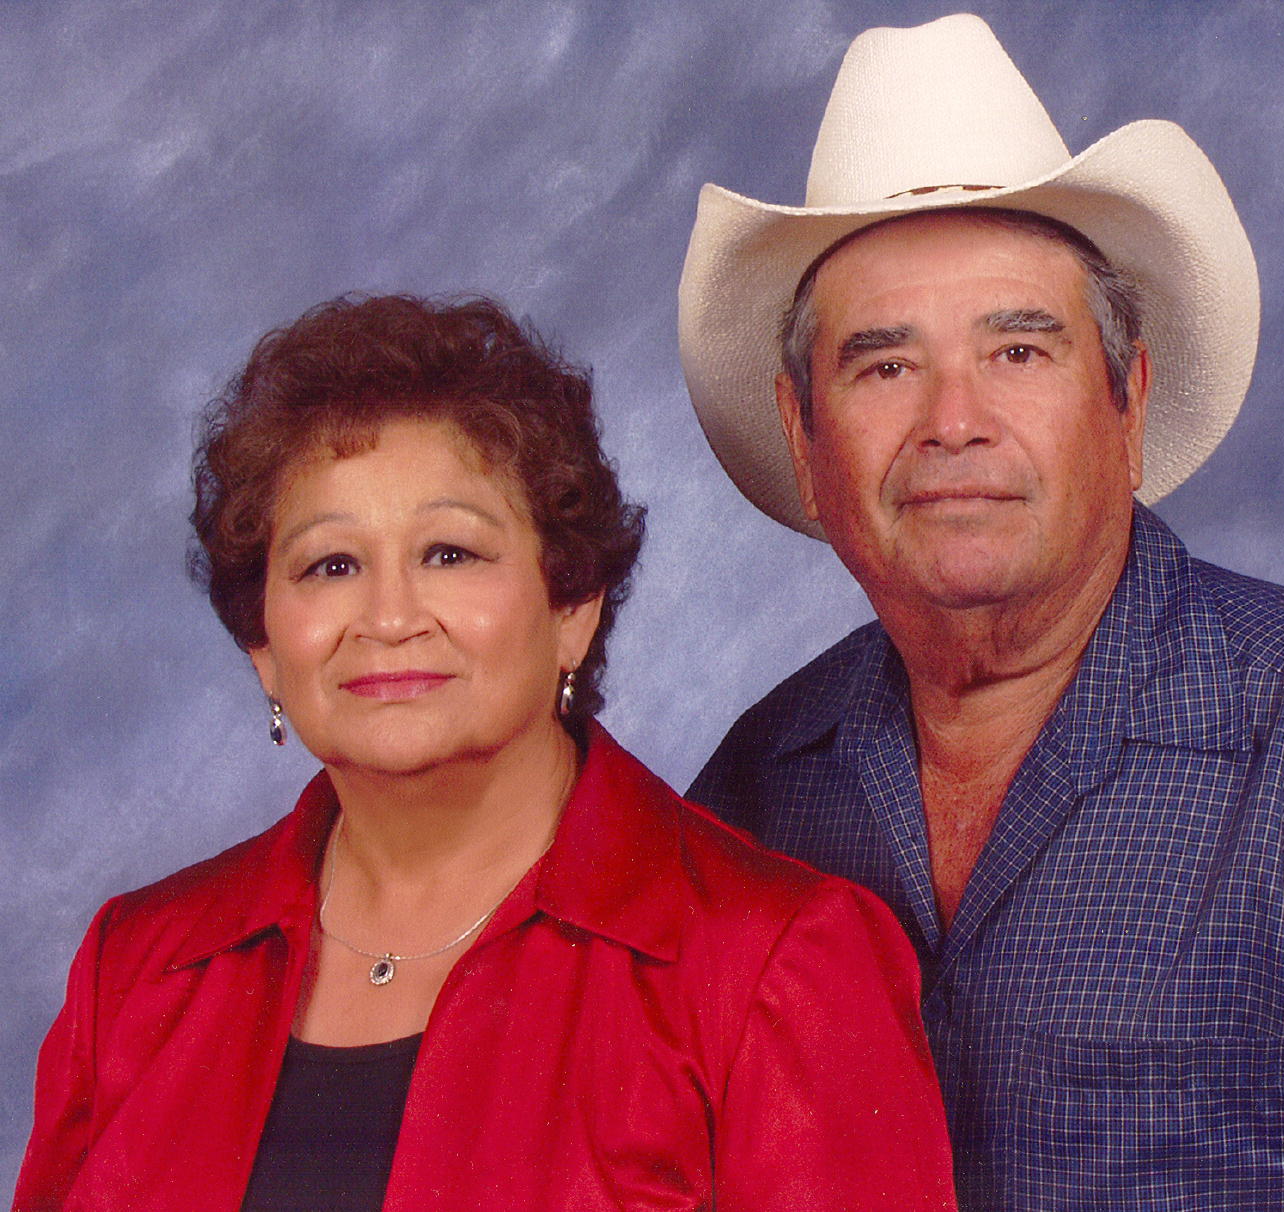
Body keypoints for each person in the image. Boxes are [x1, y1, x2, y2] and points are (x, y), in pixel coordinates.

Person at [679, 15, 1284, 1211]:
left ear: (1127, 403)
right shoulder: (760, 784)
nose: (953, 422)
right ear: (802, 436)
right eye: (884, 366)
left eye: (1019, 352)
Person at [13, 294, 958, 1211]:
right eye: (329, 566)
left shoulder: (776, 964)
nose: (387, 618)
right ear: (263, 641)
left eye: (450, 554)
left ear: (570, 607)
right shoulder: (136, 969)